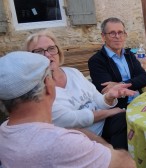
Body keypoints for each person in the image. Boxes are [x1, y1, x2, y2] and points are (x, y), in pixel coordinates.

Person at [0, 51, 135, 168]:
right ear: (48, 85)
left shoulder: (5, 131)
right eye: (50, 76)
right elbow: (127, 164)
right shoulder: (61, 143)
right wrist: (108, 148)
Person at [25, 30, 134, 150]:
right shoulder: (36, 89)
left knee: (128, 119)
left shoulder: (73, 72)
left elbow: (96, 99)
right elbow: (72, 120)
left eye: (51, 48)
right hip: (77, 141)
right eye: (39, 51)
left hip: (103, 126)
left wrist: (109, 97)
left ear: (58, 51)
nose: (47, 55)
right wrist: (110, 112)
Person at [88, 17, 146, 109]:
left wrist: (120, 84)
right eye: (112, 33)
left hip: (139, 100)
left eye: (120, 32)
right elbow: (107, 90)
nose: (117, 36)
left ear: (125, 35)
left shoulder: (129, 55)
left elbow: (145, 78)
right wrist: (134, 82)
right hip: (118, 108)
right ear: (103, 36)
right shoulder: (96, 61)